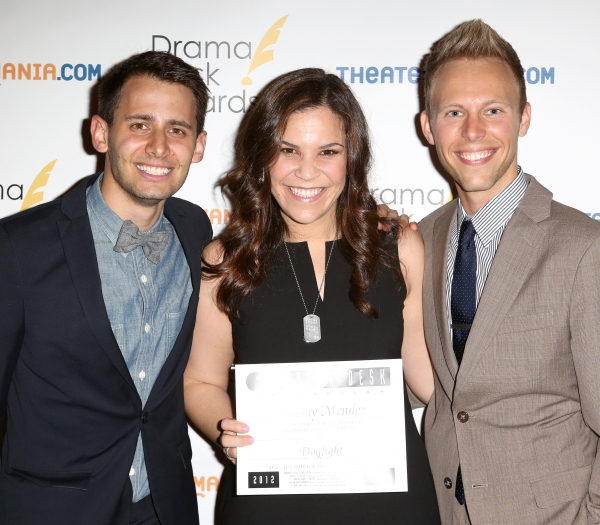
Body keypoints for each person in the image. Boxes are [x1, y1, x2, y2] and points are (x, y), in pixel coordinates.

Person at [183, 68, 441, 524]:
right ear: (262, 157)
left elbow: (429, 380)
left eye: (328, 151)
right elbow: (200, 382)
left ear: (351, 158)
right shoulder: (224, 261)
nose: (307, 171)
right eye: (287, 150)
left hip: (387, 505)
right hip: (267, 504)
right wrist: (226, 432)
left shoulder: (398, 248)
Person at [0, 51, 211, 525]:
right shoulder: (16, 249)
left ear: (198, 145)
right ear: (100, 133)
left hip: (166, 505)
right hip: (52, 509)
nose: (159, 146)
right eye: (140, 124)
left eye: (177, 129)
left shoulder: (196, 230)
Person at [417, 19, 600, 525]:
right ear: (428, 127)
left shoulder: (583, 248)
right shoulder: (417, 242)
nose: (472, 132)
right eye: (454, 112)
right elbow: (418, 384)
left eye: (492, 111)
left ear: (523, 118)